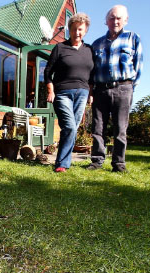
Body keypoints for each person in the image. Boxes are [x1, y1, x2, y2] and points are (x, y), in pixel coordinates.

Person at [87, 4, 143, 172]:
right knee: (98, 127)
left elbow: (138, 66)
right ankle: (96, 161)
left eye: (119, 18)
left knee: (120, 128)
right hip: (101, 90)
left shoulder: (133, 38)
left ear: (125, 20)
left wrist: (132, 87)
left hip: (123, 88)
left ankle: (119, 164)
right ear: (106, 21)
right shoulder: (97, 44)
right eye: (112, 18)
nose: (115, 21)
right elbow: (92, 70)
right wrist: (91, 90)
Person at [44, 13, 94, 173]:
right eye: (73, 29)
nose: (77, 32)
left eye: (80, 29)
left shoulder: (89, 50)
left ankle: (64, 161)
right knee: (70, 127)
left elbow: (92, 75)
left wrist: (91, 93)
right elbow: (47, 71)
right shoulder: (60, 47)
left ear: (85, 30)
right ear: (69, 30)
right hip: (63, 93)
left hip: (83, 93)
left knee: (71, 128)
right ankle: (62, 164)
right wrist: (50, 90)